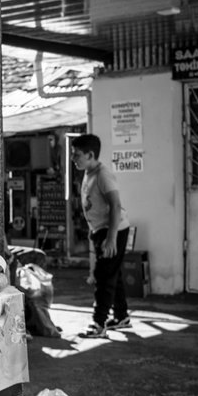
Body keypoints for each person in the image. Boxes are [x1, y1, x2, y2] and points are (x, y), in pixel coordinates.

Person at [71, 133, 131, 339]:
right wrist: (93, 229)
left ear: (90, 155)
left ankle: (98, 324)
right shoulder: (89, 172)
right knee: (113, 274)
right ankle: (122, 316)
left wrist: (111, 237)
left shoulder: (103, 175)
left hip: (113, 230)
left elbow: (115, 205)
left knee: (103, 276)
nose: (73, 159)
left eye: (77, 155)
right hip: (101, 230)